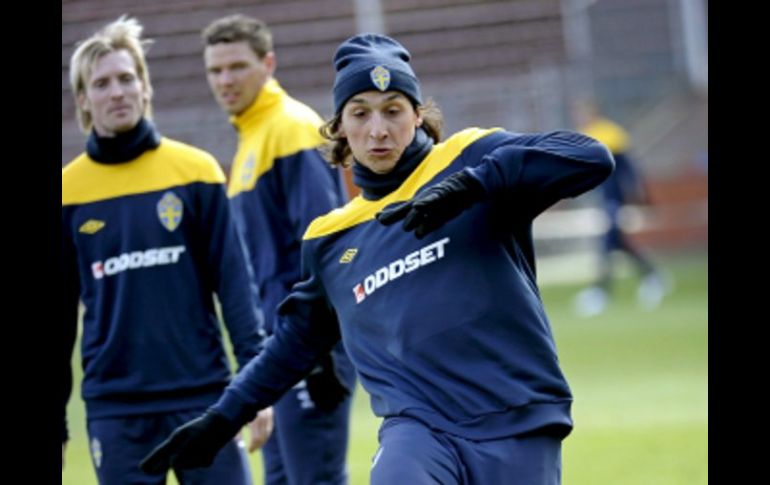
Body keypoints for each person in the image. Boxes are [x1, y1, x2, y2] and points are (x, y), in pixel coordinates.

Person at [140, 33, 615, 484]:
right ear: (339, 127)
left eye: (394, 110)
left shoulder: (467, 156)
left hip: (517, 418)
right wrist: (222, 419)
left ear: (417, 115)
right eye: (360, 113)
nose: (378, 129)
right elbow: (292, 345)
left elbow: (591, 157)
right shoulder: (330, 237)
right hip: (417, 429)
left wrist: (473, 185)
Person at [61, 16, 273, 484]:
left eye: (126, 78)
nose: (117, 91)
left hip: (205, 401)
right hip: (116, 411)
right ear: (83, 100)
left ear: (144, 87)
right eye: (101, 83)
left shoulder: (195, 172)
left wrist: (254, 387)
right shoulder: (67, 193)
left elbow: (234, 286)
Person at [199, 14, 356, 485]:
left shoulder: (291, 128)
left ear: (268, 63)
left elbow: (324, 241)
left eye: (237, 66)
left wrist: (322, 352)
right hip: (277, 349)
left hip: (308, 348)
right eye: (215, 70)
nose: (225, 80)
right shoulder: (252, 137)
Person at [570, 99, 669, 317]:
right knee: (617, 241)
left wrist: (637, 192)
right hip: (603, 198)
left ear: (594, 112)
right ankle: (652, 275)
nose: (580, 117)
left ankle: (600, 291)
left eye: (583, 112)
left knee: (607, 241)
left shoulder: (611, 133)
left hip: (615, 197)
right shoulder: (582, 135)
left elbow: (628, 168)